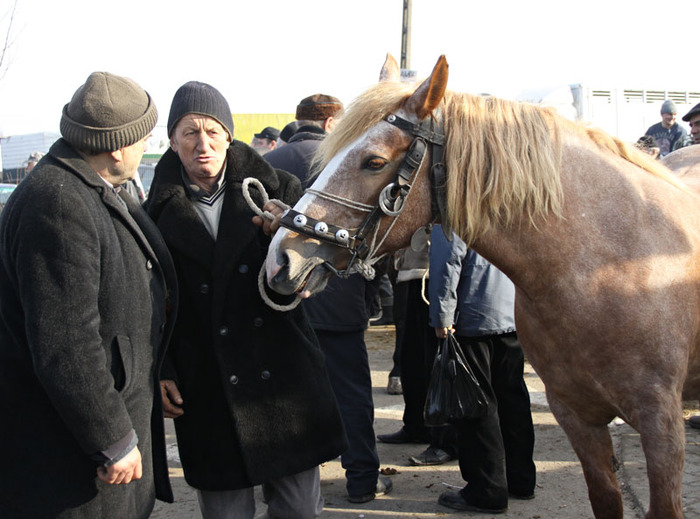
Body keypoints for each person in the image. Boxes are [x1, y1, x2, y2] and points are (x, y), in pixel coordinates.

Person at [144, 81, 347, 519]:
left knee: (298, 510)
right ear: (172, 140)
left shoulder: (282, 190)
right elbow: (150, 304)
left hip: (282, 377)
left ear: (229, 135)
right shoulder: (152, 215)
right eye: (190, 133)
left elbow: (322, 274)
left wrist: (291, 243)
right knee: (226, 514)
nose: (203, 144)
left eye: (213, 132)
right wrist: (162, 369)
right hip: (206, 383)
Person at [0, 71, 178, 519]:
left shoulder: (90, 188)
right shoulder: (58, 203)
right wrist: (112, 438)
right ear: (117, 145)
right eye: (142, 136)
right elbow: (65, 341)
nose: (146, 145)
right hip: (71, 461)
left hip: (94, 444)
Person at [429, 226, 536, 514]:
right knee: (513, 397)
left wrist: (441, 315)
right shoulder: (502, 208)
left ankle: (487, 489)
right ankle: (521, 479)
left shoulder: (454, 212)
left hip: (473, 316)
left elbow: (446, 263)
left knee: (476, 406)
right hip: (510, 313)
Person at [377, 226, 458, 467]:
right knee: (410, 357)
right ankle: (416, 425)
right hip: (409, 274)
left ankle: (444, 440)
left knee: (435, 361)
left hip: (432, 275)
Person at [263, 94, 344, 187]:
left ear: (298, 123)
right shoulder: (337, 158)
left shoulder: (266, 159)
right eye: (341, 125)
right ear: (329, 123)